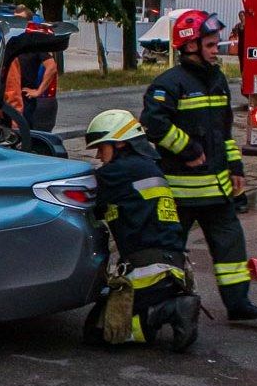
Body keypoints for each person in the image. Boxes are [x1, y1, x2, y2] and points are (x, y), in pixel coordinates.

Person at [140, 10, 257, 321]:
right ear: (189, 46)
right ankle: (159, 307)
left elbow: (223, 131)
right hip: (181, 192)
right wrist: (187, 149)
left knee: (231, 249)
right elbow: (154, 124)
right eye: (210, 45)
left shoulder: (217, 80)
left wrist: (236, 167)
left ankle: (238, 305)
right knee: (168, 250)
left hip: (218, 189)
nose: (216, 50)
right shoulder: (169, 84)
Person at [83, 109, 200, 350]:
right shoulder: (146, 167)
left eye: (102, 148)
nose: (98, 156)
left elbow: (90, 200)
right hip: (173, 268)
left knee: (99, 332)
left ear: (121, 143)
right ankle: (164, 307)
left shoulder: (116, 172)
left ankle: (166, 311)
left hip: (148, 271)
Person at [17, 23, 60, 131]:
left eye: (22, 20)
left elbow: (52, 67)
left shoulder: (33, 45)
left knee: (25, 132)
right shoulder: (11, 43)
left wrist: (38, 91)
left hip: (25, 97)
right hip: (7, 97)